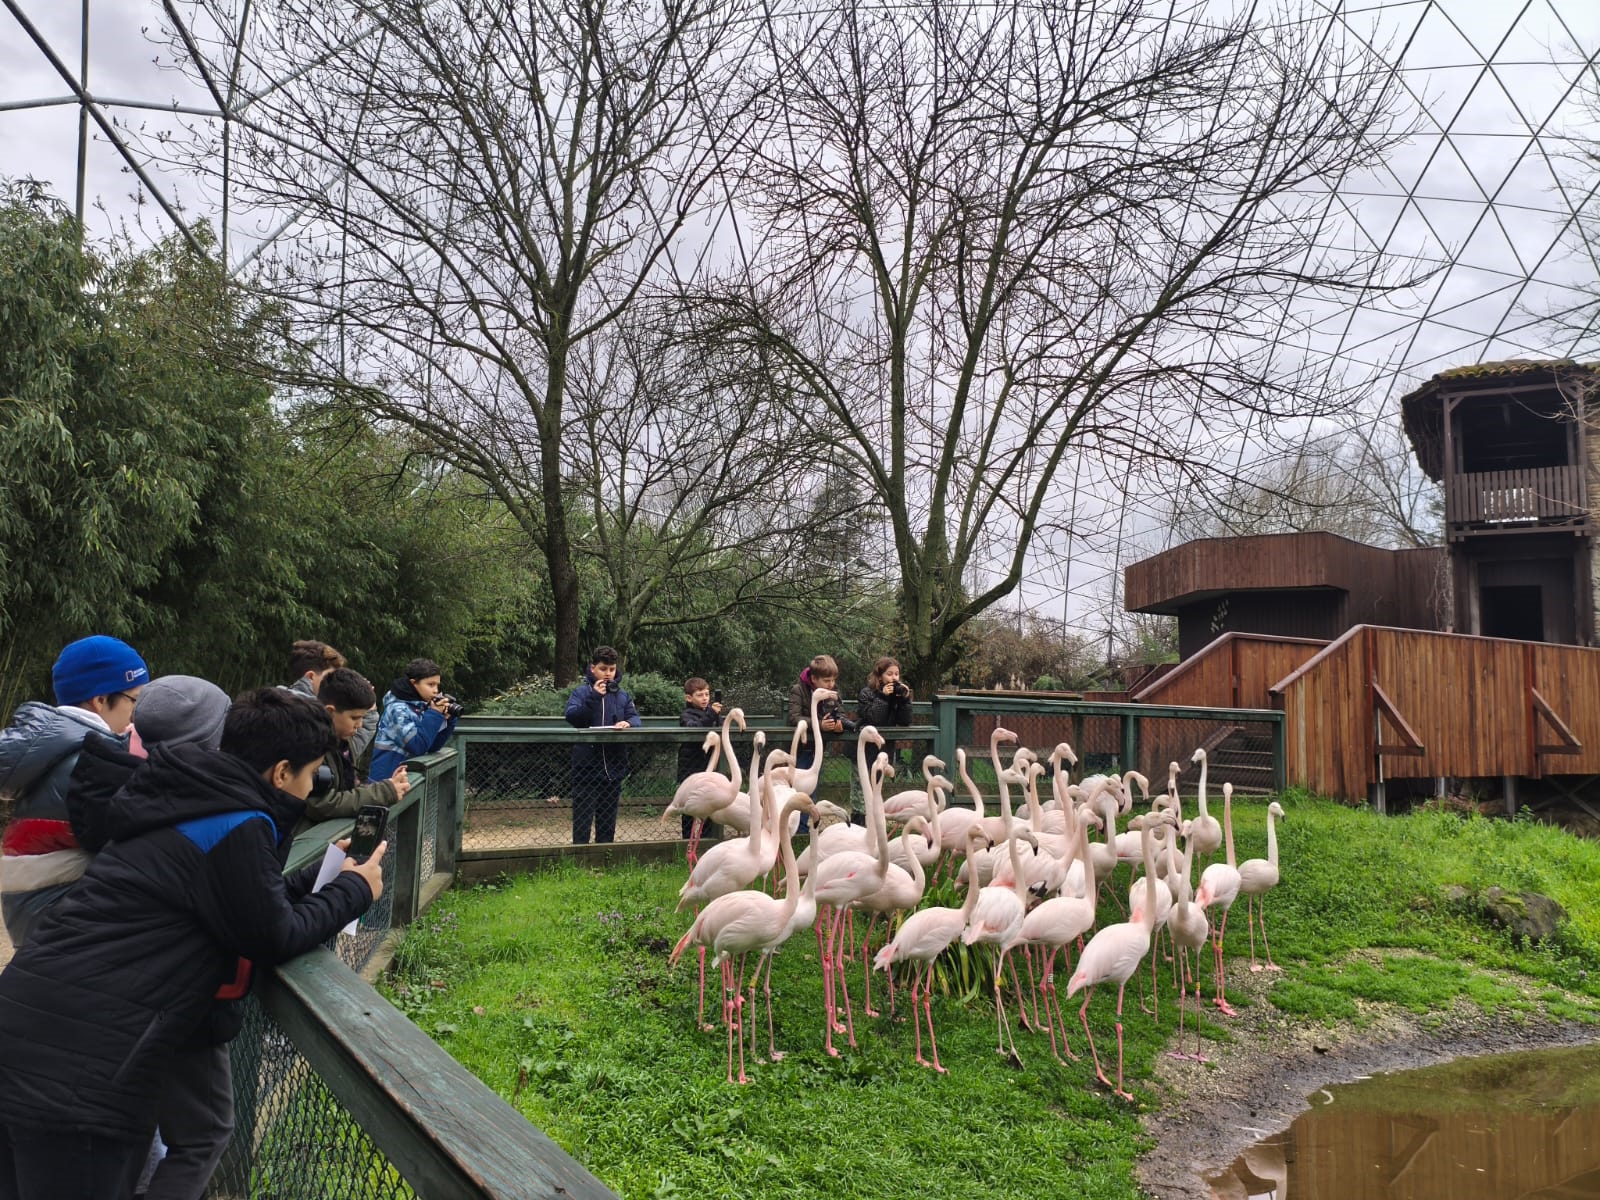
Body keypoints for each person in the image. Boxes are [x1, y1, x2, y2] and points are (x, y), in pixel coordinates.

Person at [0, 688, 385, 1200]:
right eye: (312, 772)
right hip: (80, 1072)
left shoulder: (185, 797)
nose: (315, 784)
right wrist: (356, 890)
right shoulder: (237, 822)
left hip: (32, 1031)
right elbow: (275, 935)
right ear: (280, 772)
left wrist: (322, 876)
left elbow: (238, 903)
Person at [61, 675, 238, 1200]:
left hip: (93, 995)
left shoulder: (120, 792)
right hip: (158, 997)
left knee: (136, 1123)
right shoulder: (199, 810)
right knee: (203, 1132)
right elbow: (258, 920)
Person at [0, 634, 149, 947]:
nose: (137, 716)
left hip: (30, 908)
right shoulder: (90, 761)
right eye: (135, 701)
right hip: (59, 919)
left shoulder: (48, 749)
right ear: (100, 700)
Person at [294, 668, 412, 838]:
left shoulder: (341, 741)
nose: (360, 725)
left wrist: (389, 784)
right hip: (306, 844)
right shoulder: (308, 744)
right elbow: (320, 804)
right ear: (329, 711)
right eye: (355, 718)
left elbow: (345, 789)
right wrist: (385, 791)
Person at [564, 646, 641, 844]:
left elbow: (635, 718)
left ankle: (605, 857)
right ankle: (579, 858)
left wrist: (628, 723)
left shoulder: (622, 695)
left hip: (613, 766)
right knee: (582, 818)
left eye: (611, 669)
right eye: (603, 669)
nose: (608, 674)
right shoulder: (581, 693)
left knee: (607, 818)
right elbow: (573, 717)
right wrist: (595, 698)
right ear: (593, 668)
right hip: (586, 766)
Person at [786, 654, 855, 832]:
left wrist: (839, 724)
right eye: (827, 680)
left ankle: (807, 830)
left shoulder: (832, 691)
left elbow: (840, 712)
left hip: (818, 749)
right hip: (801, 749)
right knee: (798, 792)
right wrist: (819, 723)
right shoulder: (798, 690)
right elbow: (793, 718)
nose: (831, 685)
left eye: (833, 680)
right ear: (814, 679)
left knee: (812, 792)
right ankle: (798, 831)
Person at [368, 657, 460, 782]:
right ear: (413, 683)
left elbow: (432, 746)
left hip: (406, 779)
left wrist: (448, 720)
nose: (436, 690)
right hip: (385, 780)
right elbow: (418, 746)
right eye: (430, 684)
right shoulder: (397, 709)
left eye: (437, 685)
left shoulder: (420, 706)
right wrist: (434, 714)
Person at [286, 640, 378, 763]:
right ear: (310, 677)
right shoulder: (293, 720)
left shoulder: (323, 721)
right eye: (330, 676)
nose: (335, 681)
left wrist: (364, 705)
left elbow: (346, 755)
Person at [677, 676, 724, 839]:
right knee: (690, 807)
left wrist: (715, 715)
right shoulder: (686, 715)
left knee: (709, 803)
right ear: (689, 698)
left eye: (707, 694)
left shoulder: (712, 713)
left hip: (710, 765)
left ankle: (708, 838)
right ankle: (687, 840)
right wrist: (711, 714)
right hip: (691, 767)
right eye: (700, 695)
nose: (705, 698)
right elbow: (693, 728)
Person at [857, 656, 914, 728]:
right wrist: (883, 697)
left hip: (890, 736)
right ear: (880, 676)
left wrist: (905, 700)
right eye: (889, 674)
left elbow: (905, 722)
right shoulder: (866, 693)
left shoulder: (897, 693)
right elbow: (874, 721)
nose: (894, 678)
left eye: (896, 674)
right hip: (871, 736)